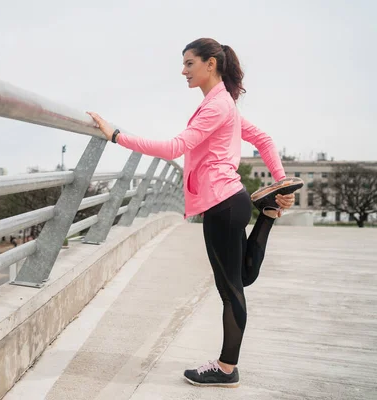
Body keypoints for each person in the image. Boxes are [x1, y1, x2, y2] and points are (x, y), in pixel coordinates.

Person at [87, 37, 303, 388]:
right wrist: (279, 182)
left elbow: (174, 147)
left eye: (189, 63)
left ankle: (226, 368)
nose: (183, 70)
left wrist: (117, 135)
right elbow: (262, 138)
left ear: (210, 64)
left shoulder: (217, 106)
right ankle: (266, 212)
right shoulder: (223, 104)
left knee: (232, 289)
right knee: (240, 279)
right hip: (229, 200)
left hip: (221, 203)